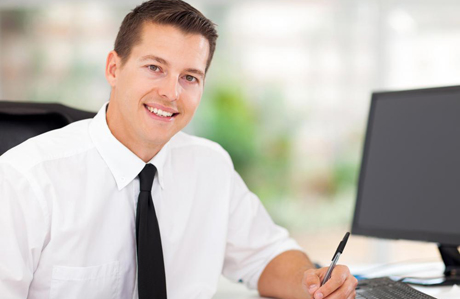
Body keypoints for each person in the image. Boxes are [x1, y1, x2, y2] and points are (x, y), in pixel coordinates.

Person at [0, 0, 357, 298]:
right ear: (114, 67)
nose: (171, 93)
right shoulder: (26, 179)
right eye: (155, 67)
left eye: (190, 77)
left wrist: (309, 282)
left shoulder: (210, 166)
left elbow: (265, 255)